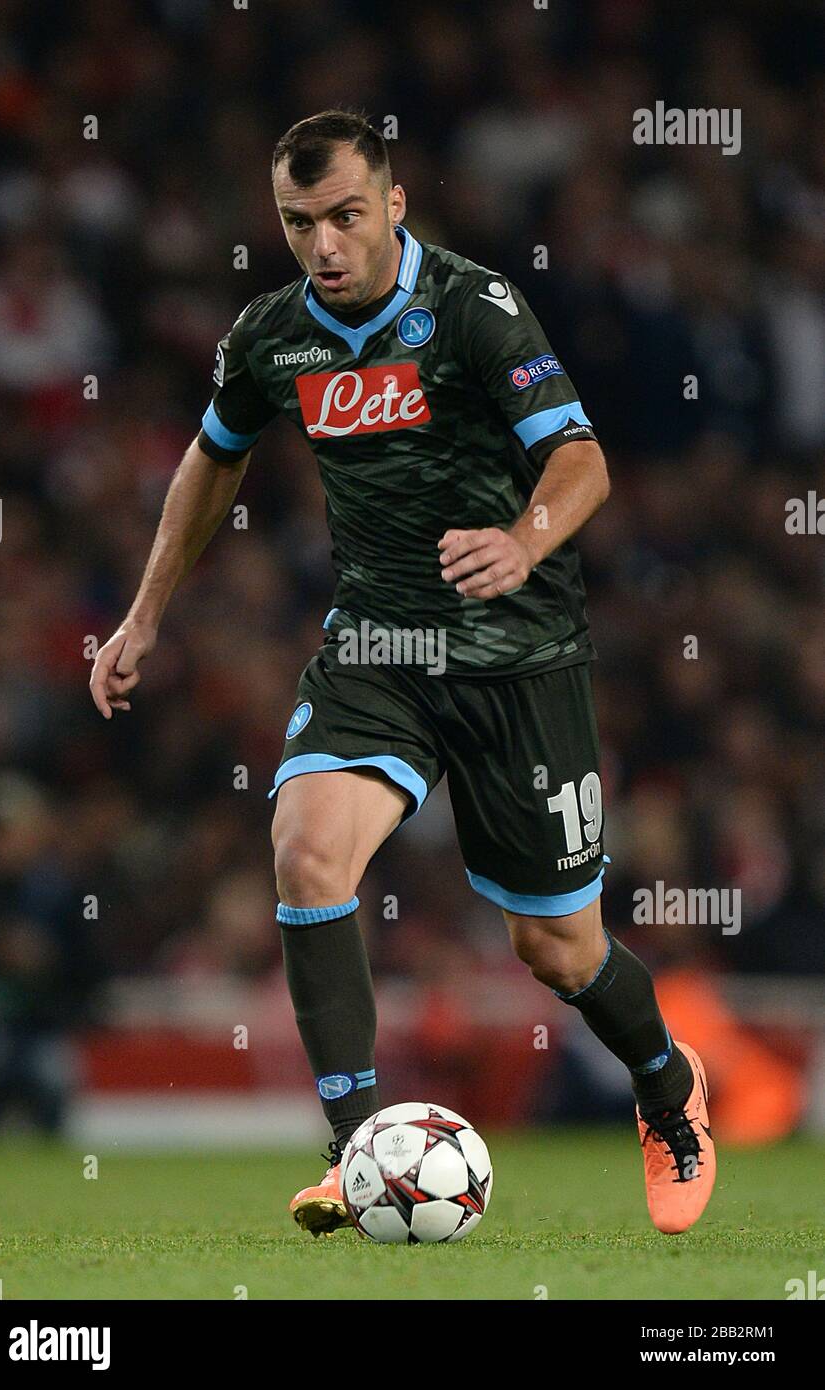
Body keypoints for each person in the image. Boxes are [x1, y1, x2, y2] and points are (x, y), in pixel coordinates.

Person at [90, 110, 715, 1239]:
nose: (323, 244)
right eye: (297, 221)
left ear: (393, 203)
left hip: (516, 657)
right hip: (378, 644)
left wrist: (522, 539)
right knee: (305, 846)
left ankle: (667, 1086)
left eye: (343, 215)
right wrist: (141, 617)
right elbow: (209, 460)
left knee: (554, 945)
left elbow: (580, 458)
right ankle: (354, 1150)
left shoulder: (473, 310)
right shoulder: (271, 336)